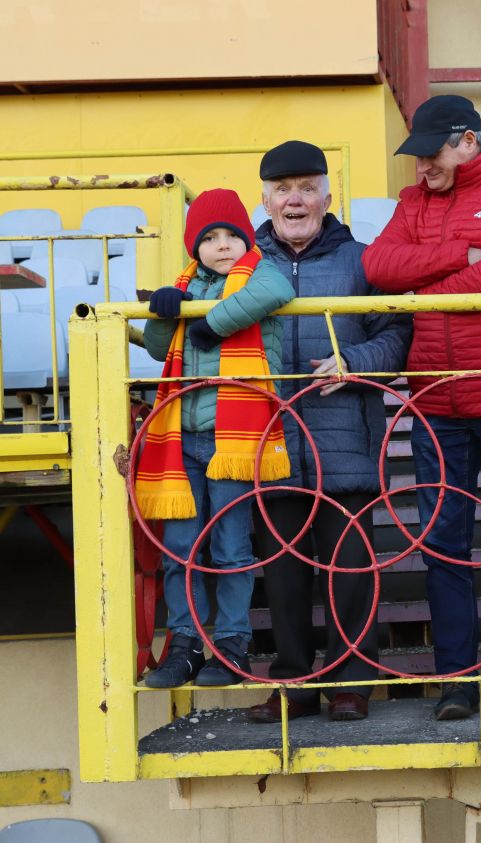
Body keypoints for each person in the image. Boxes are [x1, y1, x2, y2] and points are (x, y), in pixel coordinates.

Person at [362, 95, 481, 721]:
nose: (422, 167)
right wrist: (459, 256)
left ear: (469, 140)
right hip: (436, 403)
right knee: (443, 547)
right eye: (417, 156)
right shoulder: (412, 201)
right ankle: (457, 682)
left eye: (432, 153)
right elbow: (377, 266)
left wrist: (420, 287)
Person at [244, 141, 411, 724]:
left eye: (307, 188)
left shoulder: (364, 262)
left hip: (347, 444)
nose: (295, 200)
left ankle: (353, 683)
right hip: (271, 444)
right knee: (283, 578)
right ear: (265, 199)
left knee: (351, 575)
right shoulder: (242, 266)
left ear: (327, 196)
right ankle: (293, 684)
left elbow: (396, 338)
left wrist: (354, 362)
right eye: (283, 189)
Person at [138, 188, 295, 689]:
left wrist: (210, 322)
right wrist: (165, 310)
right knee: (180, 549)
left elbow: (276, 291)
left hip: (235, 440)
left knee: (230, 548)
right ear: (195, 247)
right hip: (182, 438)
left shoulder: (261, 271)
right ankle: (184, 645)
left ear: (247, 240)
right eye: (209, 238)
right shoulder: (184, 284)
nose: (222, 245)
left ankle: (231, 645)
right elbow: (158, 348)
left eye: (231, 235)